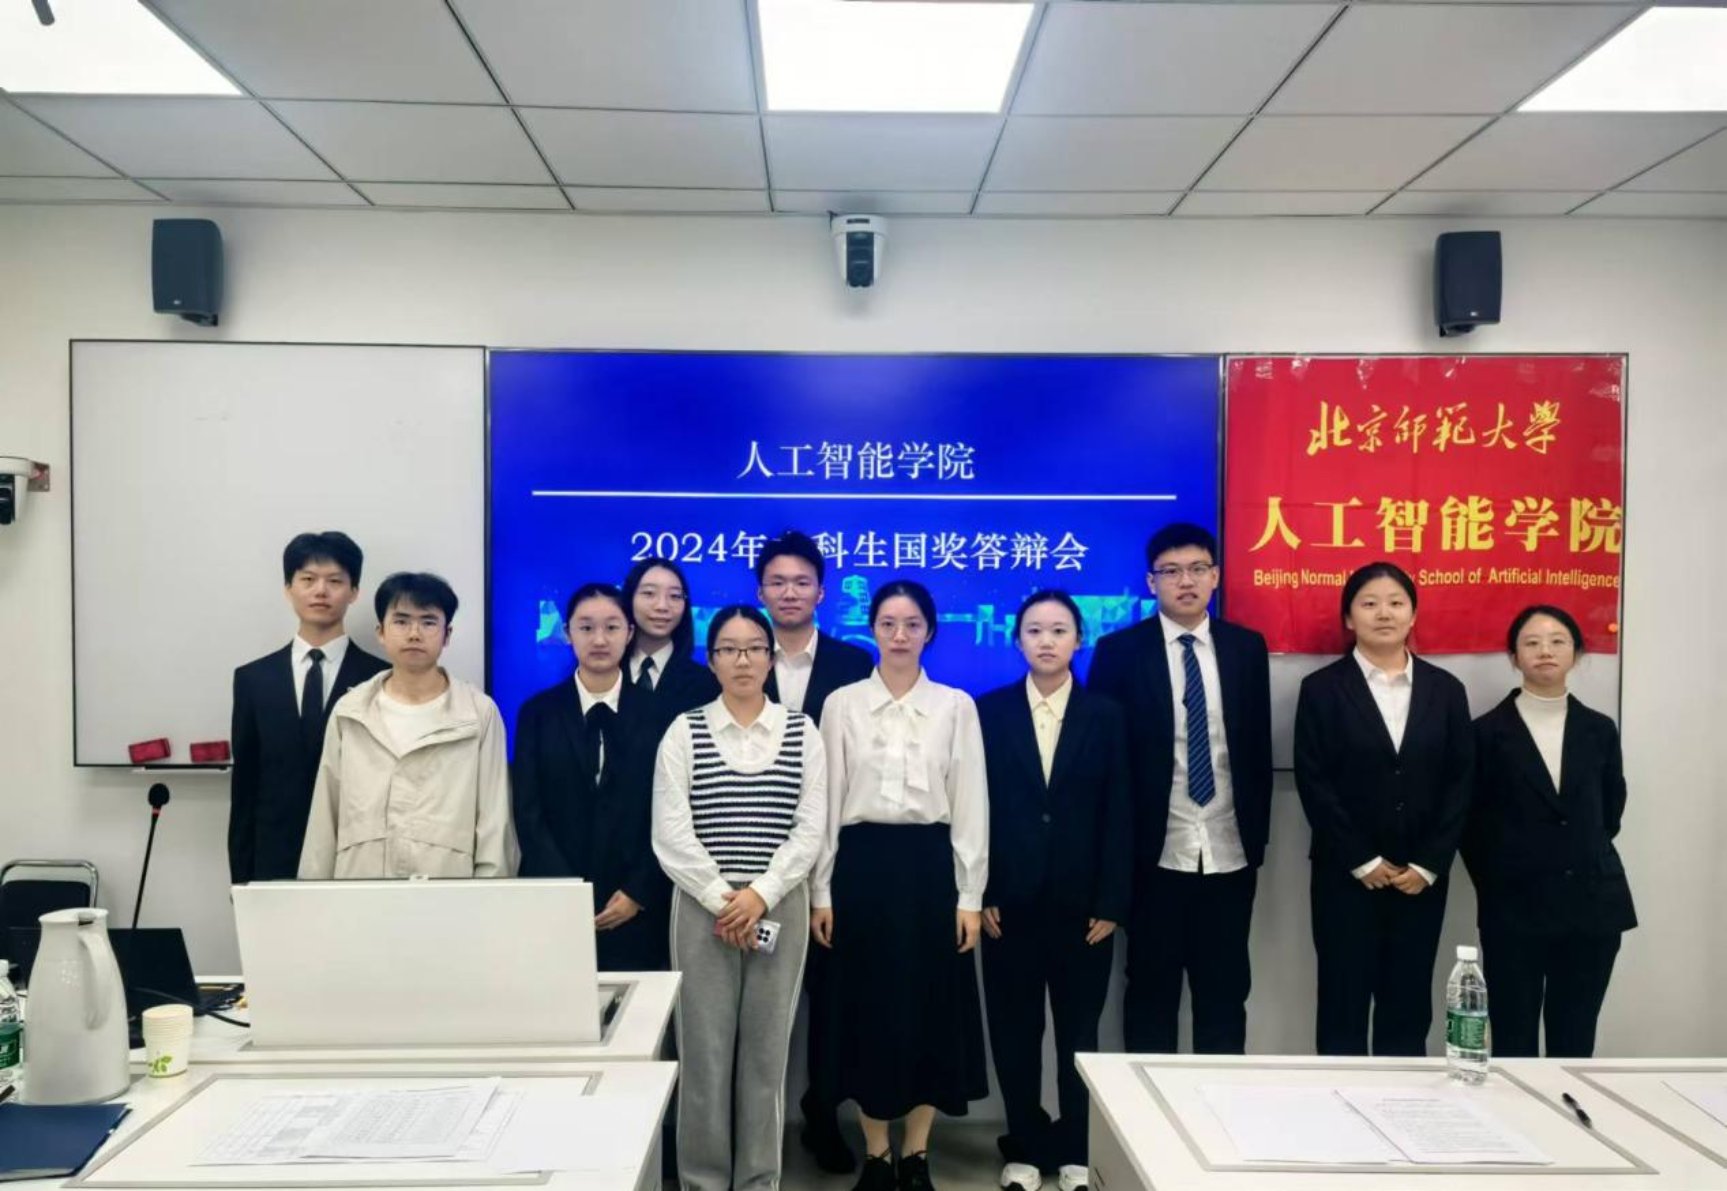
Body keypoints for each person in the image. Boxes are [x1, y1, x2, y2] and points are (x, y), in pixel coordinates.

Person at [812, 579, 988, 1191]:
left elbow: (971, 806)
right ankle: (877, 1154)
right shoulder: (842, 705)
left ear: (929, 632)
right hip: (860, 872)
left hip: (930, 873)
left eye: (912, 624)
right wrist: (821, 891)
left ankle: (916, 1154)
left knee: (930, 1011)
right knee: (867, 1012)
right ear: (872, 629)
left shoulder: (955, 707)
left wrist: (969, 895)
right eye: (888, 623)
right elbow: (826, 803)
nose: (900, 635)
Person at [652, 605, 826, 1191]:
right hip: (700, 907)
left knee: (766, 1057)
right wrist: (722, 898)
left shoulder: (801, 731)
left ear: (771, 659)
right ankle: (702, 1181)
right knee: (702, 1054)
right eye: (728, 648)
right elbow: (670, 832)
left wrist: (760, 895)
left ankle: (758, 1180)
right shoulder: (684, 731)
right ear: (711, 660)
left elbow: (810, 829)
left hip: (780, 906)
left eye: (754, 648)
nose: (743, 659)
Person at [1087, 523, 1272, 1057]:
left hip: (1229, 850)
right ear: (1151, 582)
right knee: (1150, 991)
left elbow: (1255, 748)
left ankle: (1223, 1103)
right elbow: (1106, 761)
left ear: (1215, 576)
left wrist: (1257, 835)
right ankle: (1148, 1106)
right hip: (1153, 853)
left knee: (1225, 992)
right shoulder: (1120, 652)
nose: (1185, 581)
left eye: (1196, 569)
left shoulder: (1245, 648)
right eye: (1170, 572)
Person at [978, 590, 1131, 1191]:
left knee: (1079, 1033)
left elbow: (1121, 812)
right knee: (1015, 1032)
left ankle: (1074, 1148)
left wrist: (1112, 901)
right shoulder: (988, 712)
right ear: (1017, 639)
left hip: (1084, 908)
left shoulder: (1107, 716)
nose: (1046, 640)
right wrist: (982, 890)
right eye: (1035, 630)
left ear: (1078, 639)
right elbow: (975, 809)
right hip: (1007, 905)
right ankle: (1022, 1144)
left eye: (1059, 630)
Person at [1294, 562, 1473, 1057]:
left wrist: (1429, 863)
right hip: (1345, 875)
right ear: (1348, 617)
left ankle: (1404, 1100)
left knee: (1408, 1006)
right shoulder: (1321, 688)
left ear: (1413, 614)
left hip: (1420, 878)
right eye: (1369, 603)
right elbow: (1313, 780)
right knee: (1342, 1004)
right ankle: (1341, 1102)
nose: (1384, 613)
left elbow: (1461, 782)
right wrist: (1361, 859)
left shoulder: (1446, 689)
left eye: (1396, 603)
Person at [1462, 605, 1635, 1058]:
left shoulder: (1599, 729)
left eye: (1558, 641)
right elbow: (1471, 826)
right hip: (1514, 907)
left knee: (1575, 1039)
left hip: (1592, 906)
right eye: (1532, 642)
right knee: (1513, 1039)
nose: (1545, 651)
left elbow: (1609, 812)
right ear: (1513, 657)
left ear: (1575, 653)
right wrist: (1503, 880)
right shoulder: (1484, 733)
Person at [755, 530, 875, 1174]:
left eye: (802, 582)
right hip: (752, 856)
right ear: (760, 591)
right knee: (760, 1002)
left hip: (834, 861)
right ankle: (754, 1125)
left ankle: (823, 1115)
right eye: (777, 582)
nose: (789, 592)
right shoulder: (740, 653)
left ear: (822, 592)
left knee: (830, 1003)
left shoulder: (855, 664)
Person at [299, 572, 518, 880]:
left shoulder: (477, 713)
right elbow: (324, 815)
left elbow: (495, 824)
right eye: (401, 621)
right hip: (359, 888)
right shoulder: (351, 711)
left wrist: (488, 897)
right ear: (381, 632)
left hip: (448, 891)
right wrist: (314, 894)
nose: (414, 634)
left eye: (428, 622)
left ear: (447, 634)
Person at [513, 582, 667, 971]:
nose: (599, 639)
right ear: (568, 632)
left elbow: (670, 812)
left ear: (629, 633)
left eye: (612, 627)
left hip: (637, 908)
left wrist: (638, 890)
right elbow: (528, 811)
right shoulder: (537, 713)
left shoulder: (661, 715)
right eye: (586, 627)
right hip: (554, 904)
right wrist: (566, 892)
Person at [229, 531, 388, 884]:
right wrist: (241, 881)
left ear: (354, 591)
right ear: (288, 589)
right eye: (308, 579)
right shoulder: (254, 679)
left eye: (335, 581)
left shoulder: (381, 679)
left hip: (355, 858)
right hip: (274, 859)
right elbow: (245, 789)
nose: (321, 591)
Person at [622, 556, 720, 719]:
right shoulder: (606, 672)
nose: (662, 606)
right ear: (629, 598)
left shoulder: (707, 683)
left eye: (674, 596)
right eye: (649, 593)